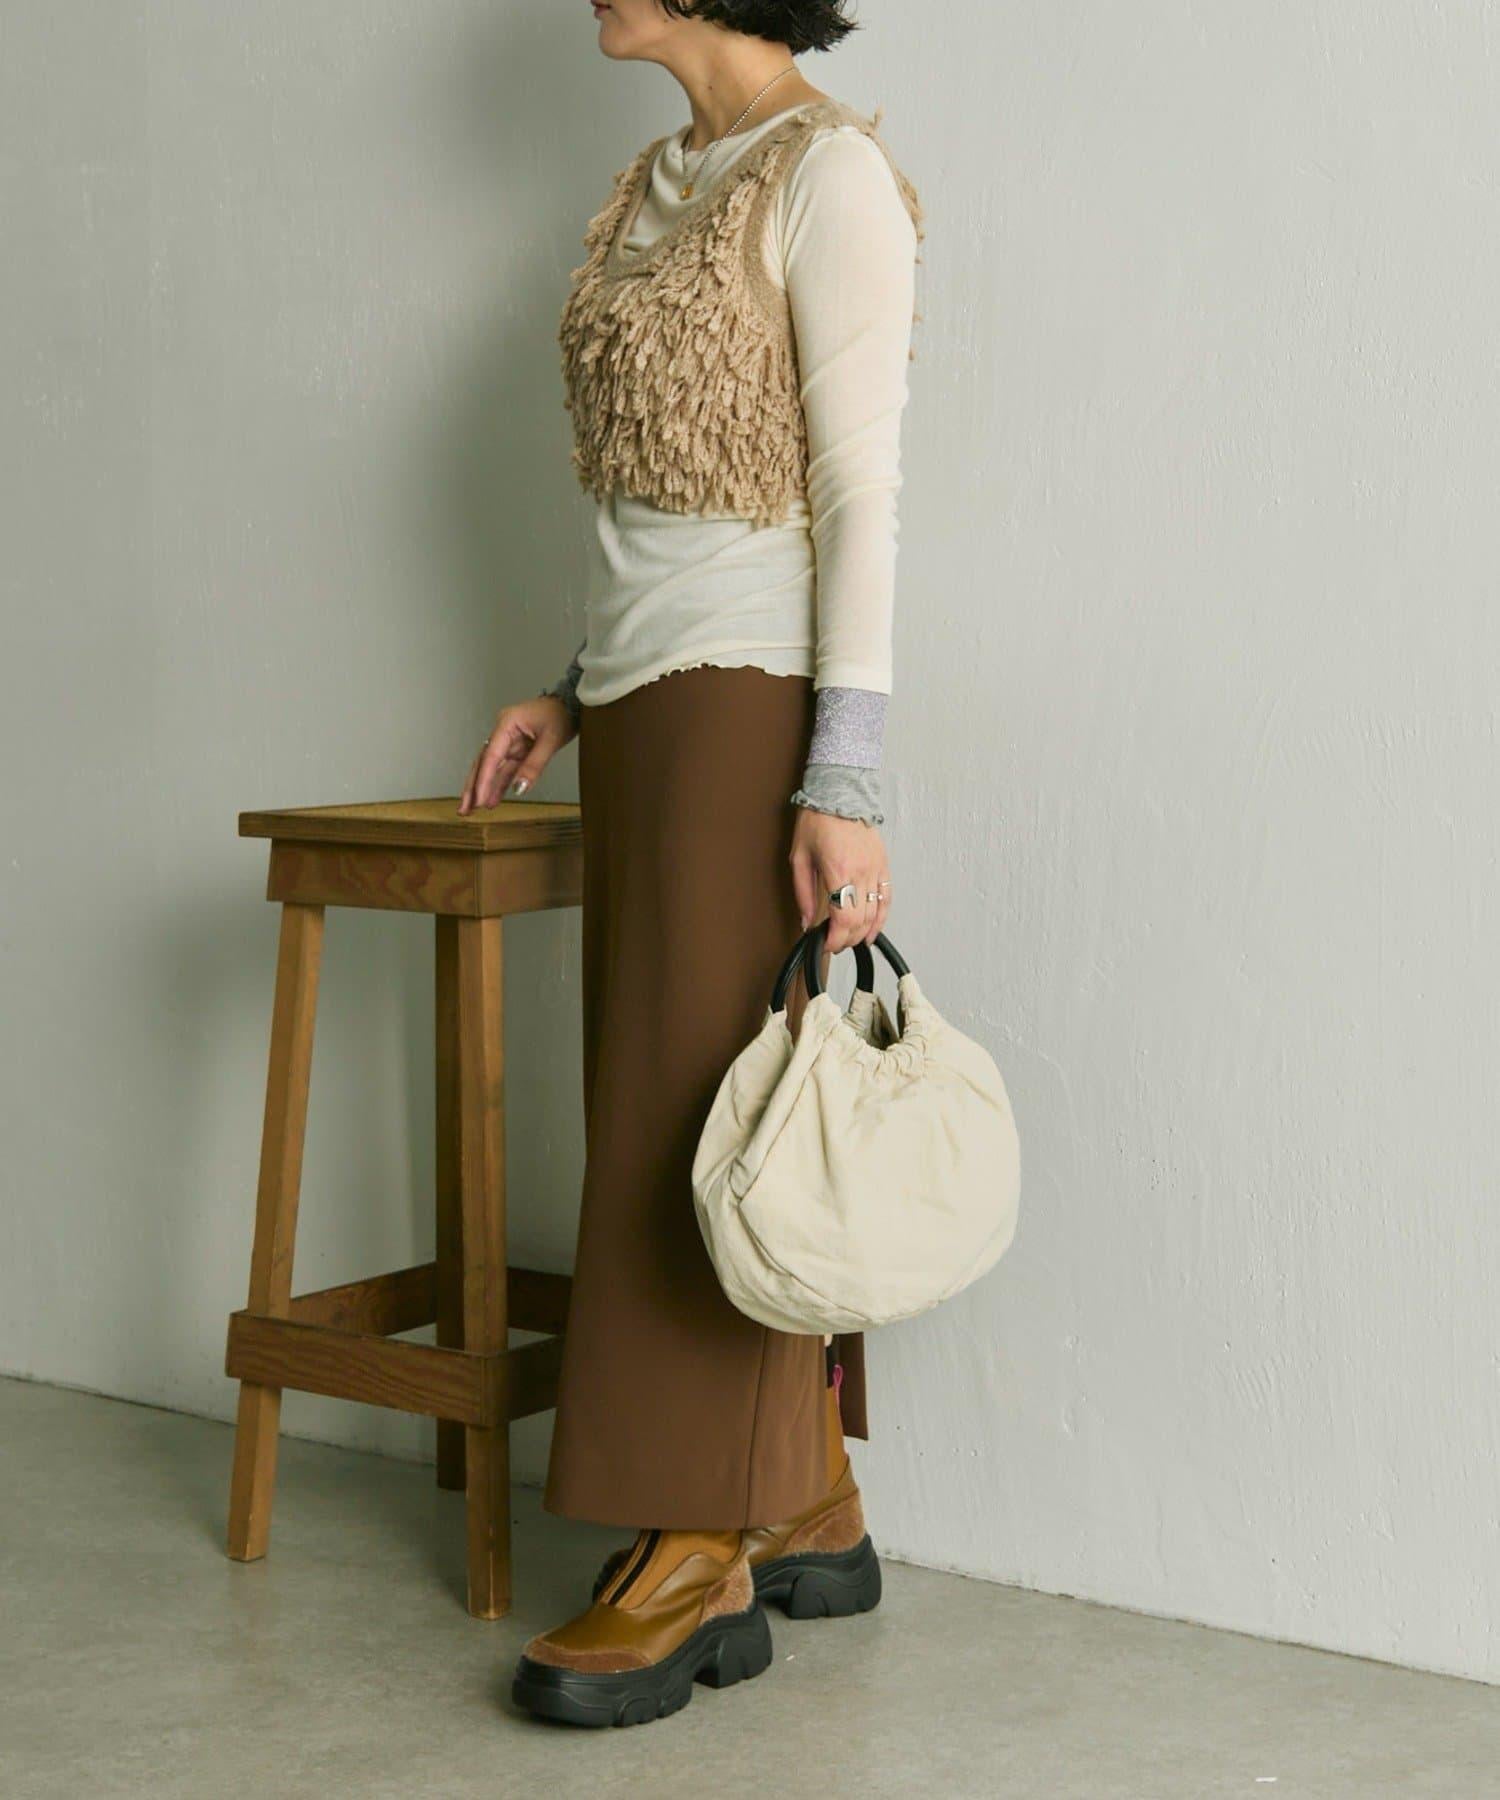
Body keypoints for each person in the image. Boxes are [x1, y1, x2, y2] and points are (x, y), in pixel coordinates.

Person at [457, 0, 923, 1728]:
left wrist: (843, 771)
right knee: (671, 1088)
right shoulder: (657, 180)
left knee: (686, 1114)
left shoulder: (832, 177)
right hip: (646, 694)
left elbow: (857, 489)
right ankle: (806, 1496)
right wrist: (571, 692)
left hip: (749, 695)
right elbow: (659, 480)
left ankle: (693, 1548)